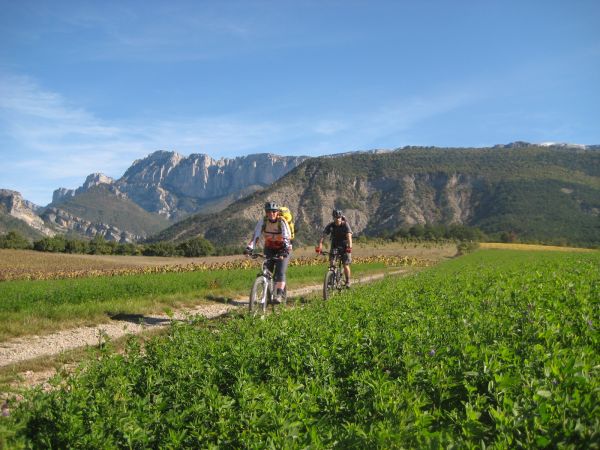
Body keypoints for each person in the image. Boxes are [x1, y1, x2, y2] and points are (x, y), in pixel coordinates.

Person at [244, 201, 292, 304]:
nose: (271, 214)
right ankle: (266, 292)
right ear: (266, 213)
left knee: (280, 272)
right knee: (266, 270)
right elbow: (256, 235)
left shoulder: (282, 222)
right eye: (269, 212)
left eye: (274, 212)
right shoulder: (263, 221)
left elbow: (286, 237)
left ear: (277, 212)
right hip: (269, 248)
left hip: (283, 249)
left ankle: (279, 294)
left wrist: (285, 251)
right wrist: (249, 248)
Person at [315, 209, 353, 288]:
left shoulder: (345, 225)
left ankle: (348, 281)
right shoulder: (331, 225)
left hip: (345, 246)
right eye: (335, 218)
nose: (337, 219)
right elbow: (323, 235)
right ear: (333, 218)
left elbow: (349, 236)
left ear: (341, 217)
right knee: (332, 263)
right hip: (335, 245)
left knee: (345, 264)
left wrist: (349, 247)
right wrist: (320, 245)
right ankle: (330, 280)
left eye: (338, 218)